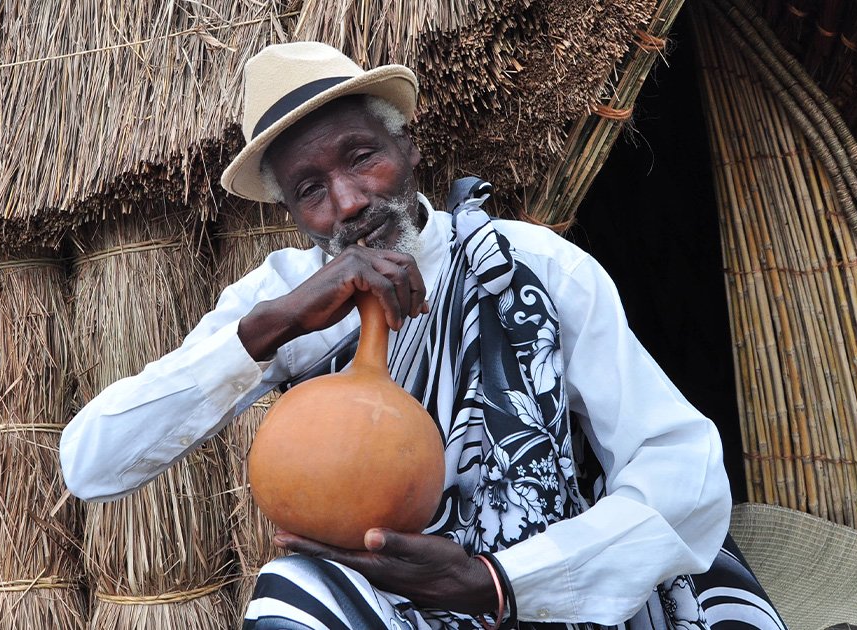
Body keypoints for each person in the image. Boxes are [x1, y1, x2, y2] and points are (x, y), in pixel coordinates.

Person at [61, 42, 786, 629]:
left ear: (405, 146)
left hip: (559, 584)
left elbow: (681, 469)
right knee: (291, 592)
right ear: (292, 213)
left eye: (358, 156)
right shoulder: (281, 298)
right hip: (398, 604)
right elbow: (90, 463)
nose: (347, 200)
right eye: (311, 190)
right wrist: (273, 328)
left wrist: (497, 582)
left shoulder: (535, 270)